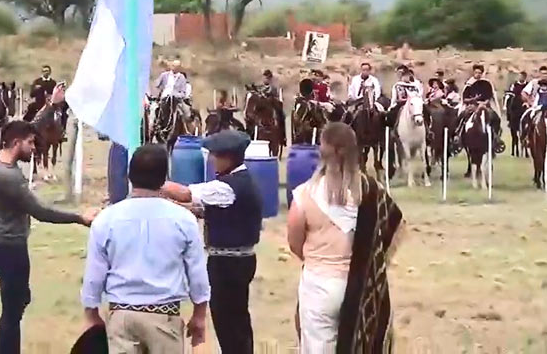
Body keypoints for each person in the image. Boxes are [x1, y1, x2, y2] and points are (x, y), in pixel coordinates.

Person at [0, 111, 97, 354]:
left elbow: (25, 127)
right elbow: (40, 211)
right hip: (9, 245)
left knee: (18, 300)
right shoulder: (7, 177)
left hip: (5, 242)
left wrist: (50, 105)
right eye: (30, 143)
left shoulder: (4, 163)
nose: (34, 148)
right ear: (17, 143)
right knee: (12, 311)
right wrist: (79, 217)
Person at [287, 122, 404, 352]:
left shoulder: (305, 195)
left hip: (318, 284)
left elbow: (294, 243)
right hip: (360, 286)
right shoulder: (372, 191)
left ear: (322, 151)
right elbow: (393, 226)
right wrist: (372, 262)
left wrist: (314, 258)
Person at [81, 145, 210, 353]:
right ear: (164, 178)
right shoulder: (183, 220)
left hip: (121, 317)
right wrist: (199, 315)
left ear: (130, 176)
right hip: (164, 317)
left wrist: (91, 314)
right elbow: (197, 273)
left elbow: (94, 275)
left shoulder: (107, 219)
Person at [162, 130, 263, 354]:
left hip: (228, 263)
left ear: (227, 158)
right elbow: (202, 209)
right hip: (236, 260)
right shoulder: (238, 182)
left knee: (229, 323)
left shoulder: (227, 187)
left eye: (215, 156)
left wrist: (153, 181)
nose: (211, 160)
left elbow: (187, 193)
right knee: (236, 321)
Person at [457, 64, 504, 153]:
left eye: (479, 73)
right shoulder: (469, 84)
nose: (478, 74)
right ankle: (458, 135)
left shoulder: (487, 84)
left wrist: (483, 104)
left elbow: (489, 97)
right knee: (462, 116)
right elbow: (465, 99)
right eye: (476, 72)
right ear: (473, 73)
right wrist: (473, 100)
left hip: (485, 106)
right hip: (472, 106)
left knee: (495, 117)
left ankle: (496, 137)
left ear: (482, 74)